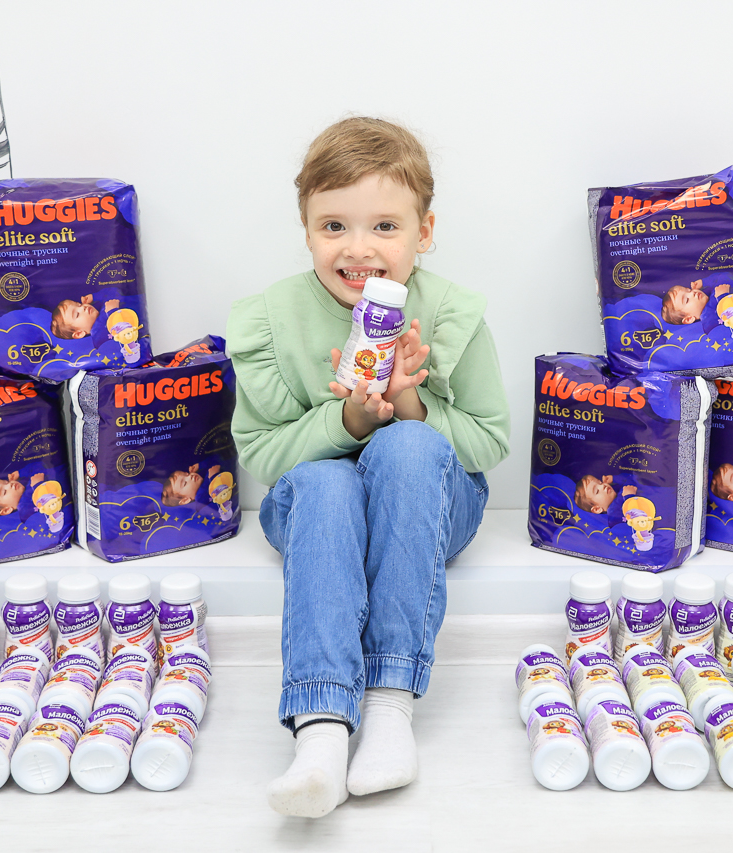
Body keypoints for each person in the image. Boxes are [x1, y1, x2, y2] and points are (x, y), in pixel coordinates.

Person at [226, 116, 510, 818]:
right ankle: (321, 732)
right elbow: (260, 451)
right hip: (316, 515)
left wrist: (408, 402)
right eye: (334, 227)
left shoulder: (452, 315)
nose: (359, 249)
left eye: (385, 226)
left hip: (429, 508)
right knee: (327, 480)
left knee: (407, 447)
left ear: (424, 230)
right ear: (306, 230)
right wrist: (348, 421)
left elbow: (488, 442)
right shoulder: (272, 318)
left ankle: (389, 707)